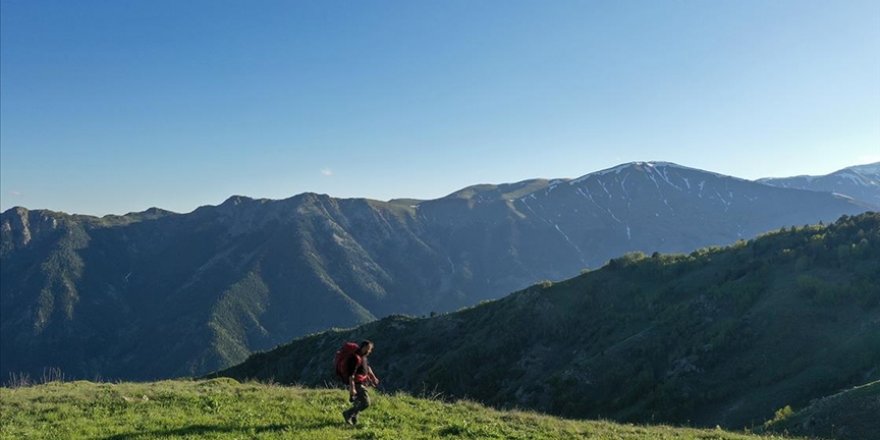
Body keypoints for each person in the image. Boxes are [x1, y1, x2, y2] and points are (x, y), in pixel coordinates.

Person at [342, 340, 380, 425]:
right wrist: (352, 389)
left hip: (361, 382)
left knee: (358, 403)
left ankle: (354, 420)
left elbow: (367, 368)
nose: (370, 351)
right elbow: (351, 375)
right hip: (357, 384)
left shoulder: (363, 357)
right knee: (366, 403)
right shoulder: (355, 358)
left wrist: (373, 378)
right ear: (364, 347)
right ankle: (348, 413)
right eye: (369, 349)